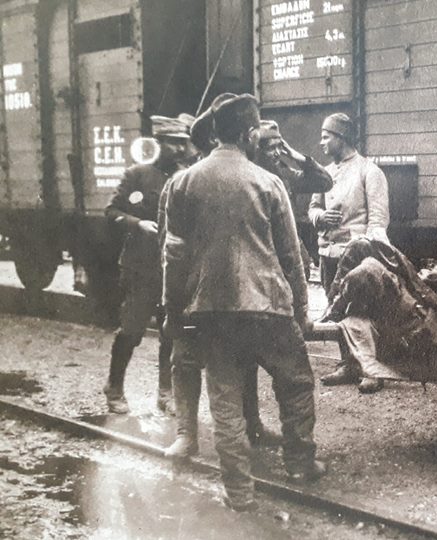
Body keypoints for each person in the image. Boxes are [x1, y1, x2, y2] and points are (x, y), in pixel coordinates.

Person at [163, 93, 324, 511]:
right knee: (295, 382)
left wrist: (173, 309)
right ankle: (299, 464)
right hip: (268, 306)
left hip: (211, 309)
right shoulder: (268, 182)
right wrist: (301, 311)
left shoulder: (181, 183)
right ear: (250, 134)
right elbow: (291, 256)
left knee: (225, 397)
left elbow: (173, 256)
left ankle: (238, 491)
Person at [161, 102, 281, 459]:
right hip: (191, 290)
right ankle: (187, 434)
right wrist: (170, 302)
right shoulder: (181, 184)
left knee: (238, 359)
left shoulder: (222, 179)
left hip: (217, 291)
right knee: (186, 360)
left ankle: (249, 425)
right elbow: (169, 248)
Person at [102, 115, 190, 415]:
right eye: (173, 143)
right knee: (131, 330)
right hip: (140, 268)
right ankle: (114, 387)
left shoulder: (185, 176)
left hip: (172, 269)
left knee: (171, 333)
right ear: (159, 143)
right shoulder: (137, 175)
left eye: (183, 143)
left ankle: (165, 393)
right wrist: (137, 224)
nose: (180, 149)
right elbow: (111, 211)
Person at [309, 112, 390, 394]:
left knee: (361, 311)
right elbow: (312, 208)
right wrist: (320, 218)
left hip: (355, 257)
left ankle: (371, 370)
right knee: (337, 309)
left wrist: (366, 254)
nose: (321, 142)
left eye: (326, 136)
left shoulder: (369, 171)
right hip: (328, 253)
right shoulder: (323, 174)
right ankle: (348, 364)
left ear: (341, 137)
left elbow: (378, 221)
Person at [255, 119, 333, 280]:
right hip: (263, 254)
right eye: (271, 148)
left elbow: (324, 182)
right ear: (257, 150)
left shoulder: (284, 174)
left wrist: (295, 155)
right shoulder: (248, 178)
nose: (277, 152)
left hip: (290, 253)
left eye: (279, 147)